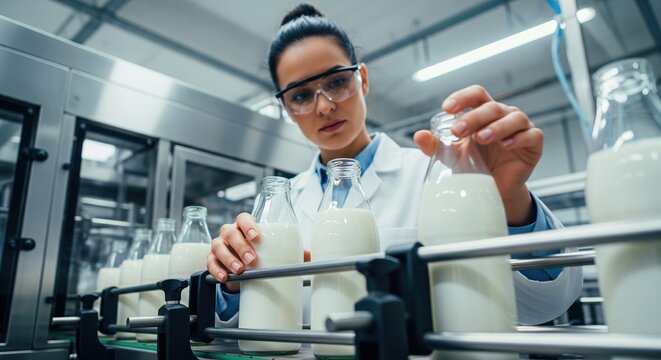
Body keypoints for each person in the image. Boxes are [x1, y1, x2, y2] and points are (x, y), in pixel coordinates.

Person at [207, 3, 582, 327]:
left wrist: (510, 202)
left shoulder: (435, 174)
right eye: (301, 95)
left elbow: (543, 305)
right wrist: (235, 281)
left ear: (363, 80)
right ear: (286, 109)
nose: (324, 106)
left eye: (337, 82)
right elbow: (256, 322)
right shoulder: (278, 212)